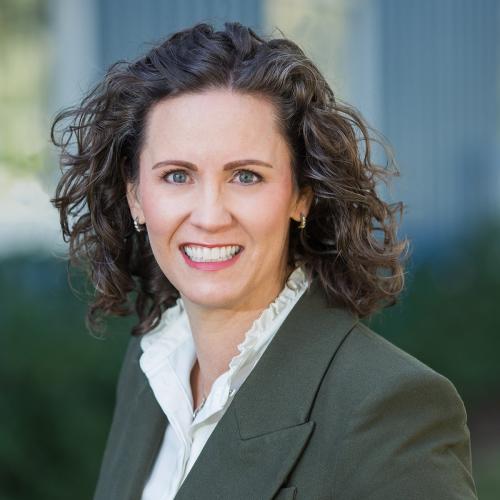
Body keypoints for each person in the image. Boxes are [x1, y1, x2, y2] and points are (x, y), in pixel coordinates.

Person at [51, 21, 477, 500]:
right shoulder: (151, 369)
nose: (210, 216)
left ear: (301, 196)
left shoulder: (389, 407)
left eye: (246, 177)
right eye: (176, 176)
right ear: (134, 197)